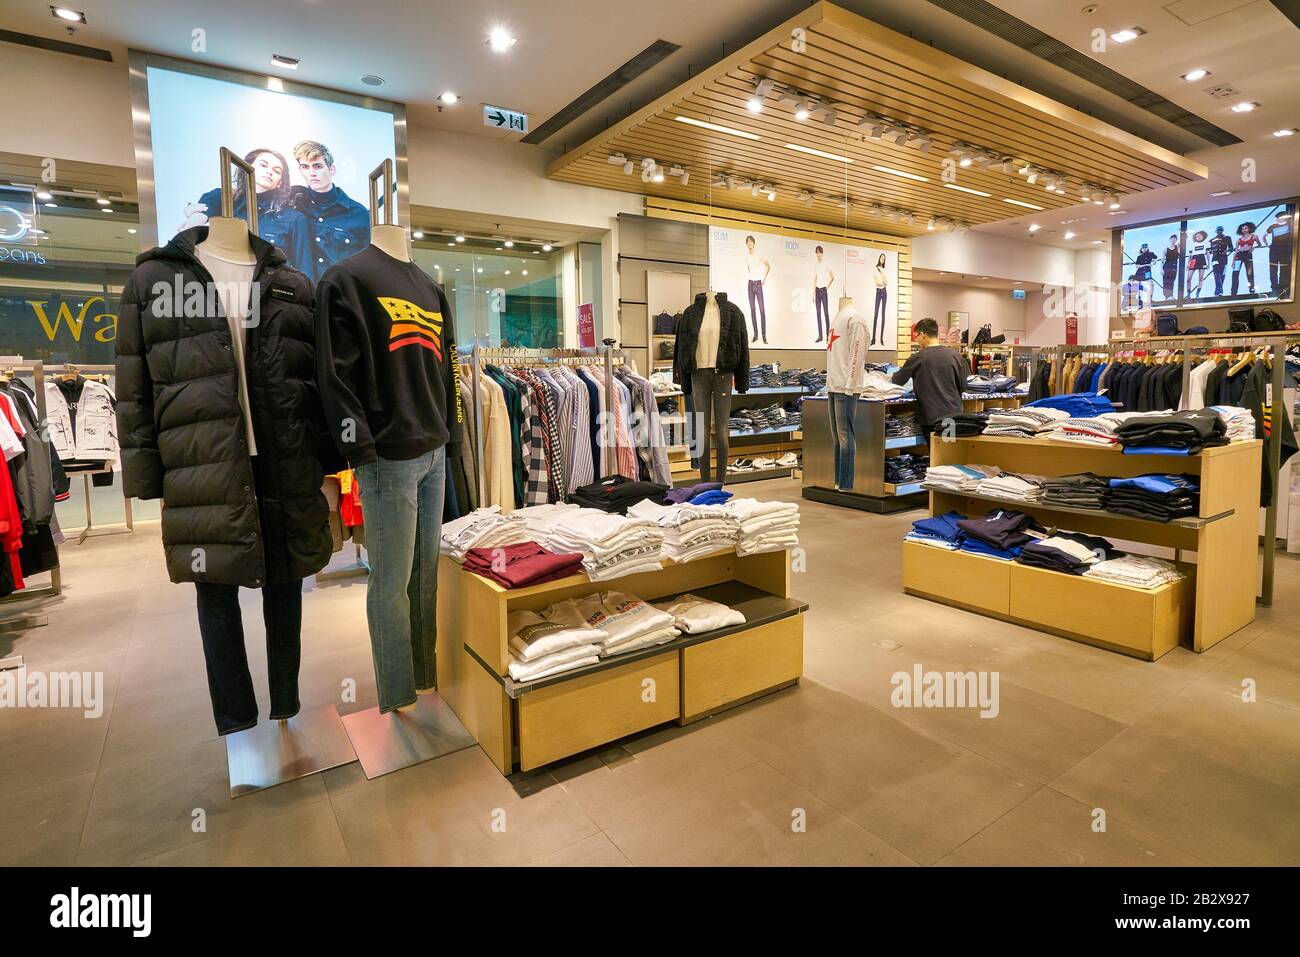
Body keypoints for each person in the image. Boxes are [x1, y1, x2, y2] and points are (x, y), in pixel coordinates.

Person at [183, 148, 312, 277]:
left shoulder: (294, 219)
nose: (269, 172)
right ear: (246, 167)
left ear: (280, 182)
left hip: (269, 290)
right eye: (264, 165)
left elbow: (304, 272)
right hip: (222, 285)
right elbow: (208, 206)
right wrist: (199, 215)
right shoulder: (223, 200)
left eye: (276, 171)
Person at [288, 140, 371, 283]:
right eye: (305, 167)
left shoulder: (359, 214)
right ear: (300, 171)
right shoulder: (294, 206)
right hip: (304, 297)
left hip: (341, 297)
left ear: (332, 169)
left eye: (318, 166)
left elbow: (368, 265)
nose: (312, 173)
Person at [891, 317, 965, 442]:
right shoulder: (955, 356)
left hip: (931, 415)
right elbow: (963, 386)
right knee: (947, 453)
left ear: (923, 334)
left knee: (937, 455)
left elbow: (897, 381)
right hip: (953, 413)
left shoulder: (918, 358)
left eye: (916, 336)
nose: (917, 340)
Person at [744, 235, 770, 344]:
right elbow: (749, 268)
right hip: (750, 284)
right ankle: (755, 335)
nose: (749, 244)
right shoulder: (746, 256)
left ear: (754, 243)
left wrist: (763, 279)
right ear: (747, 244)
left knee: (762, 310)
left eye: (751, 242)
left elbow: (768, 265)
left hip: (758, 284)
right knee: (753, 310)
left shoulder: (759, 254)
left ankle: (764, 335)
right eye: (748, 242)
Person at [1266, 210, 1293, 298]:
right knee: (1273, 268)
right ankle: (1274, 287)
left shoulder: (1290, 226)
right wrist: (1267, 245)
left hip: (1285, 250)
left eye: (1278, 218)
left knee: (1284, 268)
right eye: (1276, 218)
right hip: (1274, 250)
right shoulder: (1273, 226)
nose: (1277, 219)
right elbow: (1264, 236)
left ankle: (1283, 286)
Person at [1231, 221, 1262, 296]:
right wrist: (1233, 261)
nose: (1244, 230)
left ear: (1249, 228)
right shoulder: (1239, 239)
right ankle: (1233, 292)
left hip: (1248, 255)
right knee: (1235, 273)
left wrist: (1253, 248)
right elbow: (1236, 251)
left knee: (1250, 273)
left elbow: (1259, 245)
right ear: (1241, 230)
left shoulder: (1254, 236)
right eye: (1243, 229)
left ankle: (1251, 289)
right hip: (1239, 256)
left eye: (1246, 228)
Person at [812, 245, 834, 342]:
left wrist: (826, 287)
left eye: (820, 252)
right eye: (817, 253)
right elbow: (815, 279)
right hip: (817, 291)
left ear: (822, 253)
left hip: (824, 291)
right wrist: (813, 293)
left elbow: (832, 277)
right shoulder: (816, 265)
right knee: (818, 314)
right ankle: (820, 336)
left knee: (826, 313)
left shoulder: (826, 264)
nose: (818, 254)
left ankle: (827, 336)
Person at [1208, 225, 1232, 296]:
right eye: (1218, 230)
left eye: (1221, 230)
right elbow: (1209, 250)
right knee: (1216, 273)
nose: (1219, 231)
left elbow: (1231, 247)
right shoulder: (1212, 240)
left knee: (1222, 274)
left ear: (1222, 230)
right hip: (1215, 258)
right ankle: (1220, 289)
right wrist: (1211, 251)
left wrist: (1226, 250)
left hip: (1224, 258)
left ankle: (1217, 291)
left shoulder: (1227, 238)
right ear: (1216, 231)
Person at [1133, 242, 1157, 308]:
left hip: (1147, 271)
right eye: (1143, 248)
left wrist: (1154, 262)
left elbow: (1156, 258)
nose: (1144, 249)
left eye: (1145, 247)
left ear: (1147, 248)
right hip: (1140, 271)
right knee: (1137, 284)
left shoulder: (1151, 254)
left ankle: (1150, 299)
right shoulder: (1139, 256)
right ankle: (1137, 299)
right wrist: (1147, 264)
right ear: (1141, 249)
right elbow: (1137, 266)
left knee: (1151, 284)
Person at [1186, 229, 1209, 298]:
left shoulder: (1206, 243)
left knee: (1201, 278)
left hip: (1202, 259)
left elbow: (1208, 254)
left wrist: (1208, 263)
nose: (1198, 237)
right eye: (1197, 236)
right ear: (1195, 237)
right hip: (1193, 259)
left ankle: (1197, 293)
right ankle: (1189, 294)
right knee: (1188, 278)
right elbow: (1190, 255)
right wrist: (1188, 264)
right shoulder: (1192, 245)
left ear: (1203, 236)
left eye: (1200, 236)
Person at [871, 253, 888, 346]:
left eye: (884, 258)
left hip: (884, 292)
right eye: (881, 257)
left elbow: (886, 283)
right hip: (878, 292)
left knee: (883, 315)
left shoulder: (884, 270)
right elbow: (877, 283)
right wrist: (882, 280)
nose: (882, 259)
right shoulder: (875, 268)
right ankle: (873, 338)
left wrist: (882, 278)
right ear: (879, 258)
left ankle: (881, 338)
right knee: (876, 315)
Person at [1160, 234, 1180, 299]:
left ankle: (1170, 295)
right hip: (1166, 266)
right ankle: (1166, 296)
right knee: (1165, 282)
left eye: (1175, 239)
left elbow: (1184, 240)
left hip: (1174, 266)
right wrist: (1161, 269)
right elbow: (1162, 260)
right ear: (1170, 239)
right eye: (1172, 238)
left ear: (1176, 240)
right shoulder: (1166, 249)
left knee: (1171, 281)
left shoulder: (1178, 247)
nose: (1173, 240)